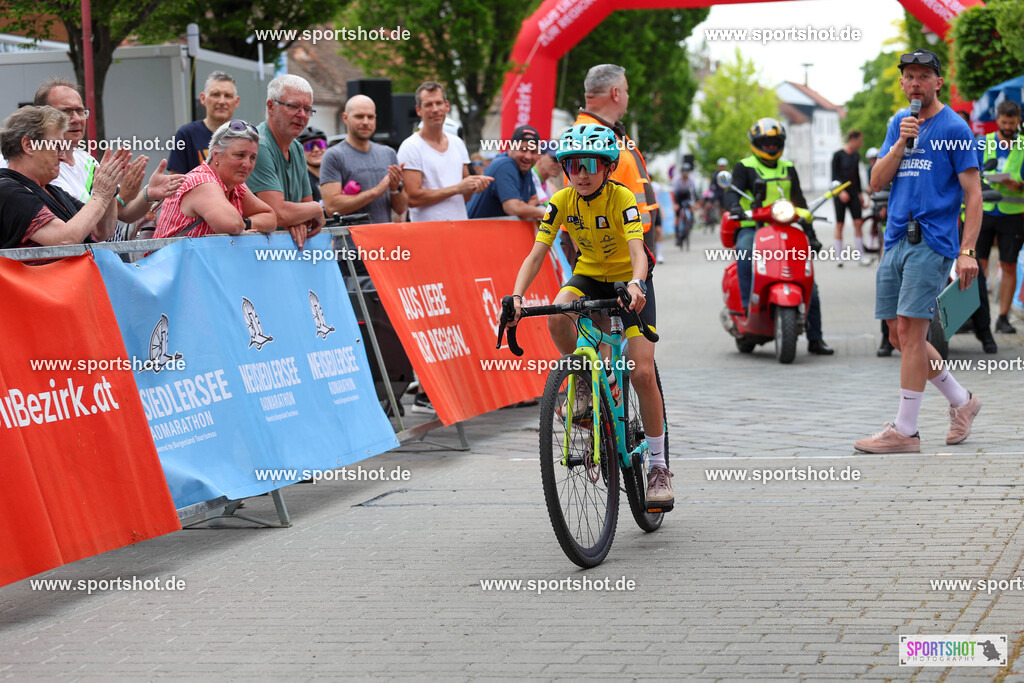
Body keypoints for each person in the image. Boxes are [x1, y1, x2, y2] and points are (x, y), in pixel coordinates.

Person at [506, 124, 670, 509]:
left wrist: (637, 285)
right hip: (590, 275)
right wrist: (516, 296)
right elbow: (536, 253)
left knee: (642, 372)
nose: (580, 174)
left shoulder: (621, 197)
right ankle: (582, 380)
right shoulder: (561, 200)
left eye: (589, 166)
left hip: (629, 280)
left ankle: (658, 467)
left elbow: (636, 249)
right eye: (572, 165)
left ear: (608, 168)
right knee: (557, 315)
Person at [855, 48, 982, 454]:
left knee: (913, 334)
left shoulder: (956, 127)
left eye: (923, 77)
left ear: (938, 82)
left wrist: (968, 250)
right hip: (894, 239)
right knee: (897, 334)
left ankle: (905, 431)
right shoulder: (899, 122)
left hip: (932, 240)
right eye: (909, 77)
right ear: (902, 82)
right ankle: (963, 401)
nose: (915, 84)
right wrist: (898, 145)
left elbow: (973, 193)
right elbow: (876, 182)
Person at [725, 117, 834, 355]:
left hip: (785, 227)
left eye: (775, 142)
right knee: (744, 252)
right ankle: (746, 309)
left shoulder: (788, 168)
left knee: (808, 280)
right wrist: (733, 207)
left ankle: (816, 338)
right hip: (752, 226)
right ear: (756, 142)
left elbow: (800, 202)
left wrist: (811, 235)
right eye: (766, 142)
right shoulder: (744, 166)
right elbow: (732, 193)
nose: (771, 147)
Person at [33, 78, 182, 230]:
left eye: (80, 111)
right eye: (65, 112)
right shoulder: (37, 167)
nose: (76, 119)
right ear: (41, 117)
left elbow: (122, 214)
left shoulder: (86, 160)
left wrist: (148, 194)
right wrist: (119, 196)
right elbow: (82, 227)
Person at [0, 105, 125, 248]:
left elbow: (102, 231)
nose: (63, 156)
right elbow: (63, 239)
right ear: (29, 145)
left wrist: (110, 187)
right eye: (57, 147)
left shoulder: (54, 192)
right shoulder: (8, 191)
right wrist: (100, 197)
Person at [573, 64, 659, 255]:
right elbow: (577, 201)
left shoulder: (610, 131)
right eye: (626, 91)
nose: (628, 97)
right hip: (613, 254)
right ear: (615, 93)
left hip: (628, 246)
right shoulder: (588, 135)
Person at [154, 120, 276, 240]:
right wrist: (243, 225)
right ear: (216, 154)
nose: (247, 164)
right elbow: (232, 224)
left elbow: (271, 218)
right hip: (173, 259)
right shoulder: (201, 181)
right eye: (240, 155)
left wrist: (245, 224)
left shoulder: (236, 185)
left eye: (252, 157)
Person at [246, 74, 326, 249]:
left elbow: (304, 212)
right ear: (271, 106)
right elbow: (279, 213)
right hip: (255, 252)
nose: (302, 115)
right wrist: (316, 209)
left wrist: (300, 218)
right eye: (294, 106)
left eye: (307, 109)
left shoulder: (297, 148)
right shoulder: (259, 145)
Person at [398, 81, 491, 223]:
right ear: (419, 110)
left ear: (446, 106)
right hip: (427, 235)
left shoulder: (457, 143)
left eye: (438, 103)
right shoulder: (410, 147)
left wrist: (476, 185)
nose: (435, 109)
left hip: (459, 230)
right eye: (428, 105)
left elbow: (465, 195)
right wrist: (456, 189)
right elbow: (412, 198)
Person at [976, 100, 1024, 335]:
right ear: (997, 120)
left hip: (1013, 215)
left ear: (1018, 121)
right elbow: (970, 172)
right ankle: (976, 316)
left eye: (1011, 123)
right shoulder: (983, 143)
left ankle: (1003, 317)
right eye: (1004, 122)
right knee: (977, 266)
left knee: (1009, 265)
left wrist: (1019, 184)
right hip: (983, 212)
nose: (1007, 127)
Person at [321, 95, 406, 224]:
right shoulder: (334, 155)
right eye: (359, 116)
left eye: (370, 117)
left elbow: (401, 209)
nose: (366, 122)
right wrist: (376, 191)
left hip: (385, 241)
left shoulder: (388, 153)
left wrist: (395, 189)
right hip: (351, 243)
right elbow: (331, 208)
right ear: (345, 118)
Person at [167, 71, 240, 174]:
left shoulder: (245, 137)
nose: (222, 101)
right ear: (203, 98)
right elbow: (175, 184)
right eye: (215, 95)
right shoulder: (186, 135)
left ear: (236, 101)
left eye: (227, 96)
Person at [467, 125, 545, 220]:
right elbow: (512, 208)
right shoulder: (504, 165)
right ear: (510, 147)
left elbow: (534, 198)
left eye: (533, 152)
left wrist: (524, 210)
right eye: (523, 150)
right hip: (473, 231)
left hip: (491, 231)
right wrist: (543, 212)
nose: (528, 156)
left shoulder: (524, 167)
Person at [832, 129, 870, 265]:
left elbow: (857, 177)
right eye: (860, 141)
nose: (861, 144)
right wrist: (840, 191)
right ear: (853, 140)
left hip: (854, 193)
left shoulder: (856, 156)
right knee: (840, 224)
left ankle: (861, 256)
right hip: (840, 193)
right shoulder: (838, 155)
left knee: (858, 223)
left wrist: (860, 194)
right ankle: (838, 257)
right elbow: (834, 176)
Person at [297, 125, 327, 204]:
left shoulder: (336, 173)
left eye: (320, 144)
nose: (316, 149)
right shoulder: (299, 180)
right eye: (309, 146)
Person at [672, 163, 696, 249]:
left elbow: (693, 192)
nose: (687, 173)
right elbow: (675, 193)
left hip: (687, 196)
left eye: (688, 171)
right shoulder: (677, 180)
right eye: (685, 171)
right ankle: (677, 236)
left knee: (691, 208)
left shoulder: (691, 180)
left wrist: (695, 202)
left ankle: (691, 221)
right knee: (677, 216)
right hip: (679, 197)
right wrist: (676, 204)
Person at [531, 141, 561, 205]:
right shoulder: (531, 176)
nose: (559, 165)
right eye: (555, 159)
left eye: (562, 161)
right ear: (539, 157)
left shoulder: (544, 181)